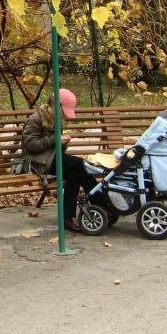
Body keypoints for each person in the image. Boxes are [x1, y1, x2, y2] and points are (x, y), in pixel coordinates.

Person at [22, 88, 98, 232]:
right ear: (56, 106)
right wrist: (56, 139)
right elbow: (31, 145)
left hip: (50, 159)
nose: (66, 116)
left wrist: (63, 143)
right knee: (78, 164)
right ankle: (100, 201)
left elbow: (56, 150)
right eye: (65, 112)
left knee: (76, 172)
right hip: (36, 162)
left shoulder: (57, 120)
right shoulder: (35, 119)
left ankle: (67, 218)